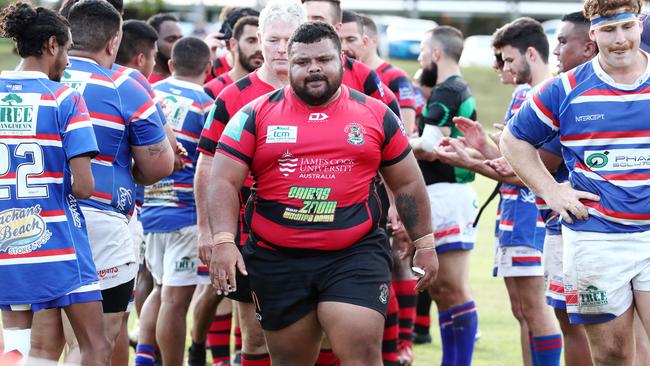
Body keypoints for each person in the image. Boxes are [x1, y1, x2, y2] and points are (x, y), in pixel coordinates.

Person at [208, 20, 438, 366]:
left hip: (354, 255)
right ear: (287, 63)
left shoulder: (375, 114)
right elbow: (222, 179)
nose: (313, 68)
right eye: (302, 62)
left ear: (341, 60)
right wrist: (224, 240)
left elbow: (408, 182)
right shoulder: (254, 115)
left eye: (324, 60)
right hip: (276, 258)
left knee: (361, 352)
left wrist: (425, 243)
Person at [501, 0, 650, 364]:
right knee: (612, 355)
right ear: (594, 33)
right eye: (609, 30)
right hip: (594, 238)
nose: (620, 40)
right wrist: (550, 190)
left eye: (627, 27)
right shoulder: (565, 88)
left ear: (640, 26)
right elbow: (512, 139)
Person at [196, 3, 307, 365]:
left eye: (288, 39)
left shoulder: (320, 91)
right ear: (258, 39)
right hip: (251, 237)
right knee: (256, 337)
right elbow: (207, 165)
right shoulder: (232, 96)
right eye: (272, 39)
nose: (279, 47)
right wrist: (207, 231)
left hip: (316, 235)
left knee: (319, 336)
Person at [0, 2, 110, 365]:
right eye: (66, 48)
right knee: (96, 345)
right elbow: (83, 187)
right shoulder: (65, 98)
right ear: (51, 45)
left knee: (16, 351)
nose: (67, 60)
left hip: (6, 247)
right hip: (58, 246)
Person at [64, 0, 173, 357]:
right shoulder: (124, 84)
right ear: (114, 41)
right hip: (101, 220)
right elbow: (159, 166)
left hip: (30, 217)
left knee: (41, 340)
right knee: (98, 340)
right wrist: (128, 170)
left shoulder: (29, 81)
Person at [340, 11, 419, 364]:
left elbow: (404, 140)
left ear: (367, 39)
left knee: (391, 270)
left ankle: (402, 344)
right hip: (337, 204)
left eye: (350, 40)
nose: (345, 47)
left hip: (381, 196)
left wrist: (395, 204)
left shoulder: (388, 78)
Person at [135, 36, 213, 366]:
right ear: (208, 68)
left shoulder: (149, 94)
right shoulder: (207, 105)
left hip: (148, 209)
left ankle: (142, 355)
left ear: (170, 64)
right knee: (175, 299)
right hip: (185, 215)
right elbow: (213, 164)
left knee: (158, 287)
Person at [189, 15, 262, 366]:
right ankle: (201, 349)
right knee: (214, 291)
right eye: (253, 41)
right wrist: (207, 227)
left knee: (245, 304)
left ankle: (230, 357)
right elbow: (201, 161)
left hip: (263, 222)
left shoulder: (291, 90)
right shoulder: (216, 92)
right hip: (220, 216)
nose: (262, 49)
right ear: (233, 45)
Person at [411, 25, 480, 366]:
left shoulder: (447, 90)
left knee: (452, 288)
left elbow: (426, 144)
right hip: (441, 193)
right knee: (440, 290)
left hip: (448, 193)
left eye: (423, 50)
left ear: (436, 54)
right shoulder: (450, 88)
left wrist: (391, 144)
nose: (420, 56)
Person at [204, 16, 263, 99]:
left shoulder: (276, 90)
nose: (258, 48)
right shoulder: (211, 91)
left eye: (262, 41)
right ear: (233, 44)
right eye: (251, 41)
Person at [147, 13, 183, 84]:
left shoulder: (189, 78)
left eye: (181, 39)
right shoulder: (145, 82)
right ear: (154, 43)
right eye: (171, 39)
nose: (179, 44)